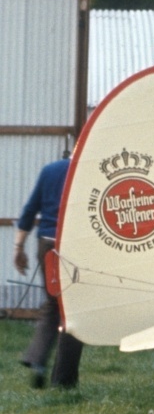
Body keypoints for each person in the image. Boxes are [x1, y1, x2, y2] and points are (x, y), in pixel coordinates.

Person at [13, 153, 82, 389]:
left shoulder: (49, 170)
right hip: (73, 244)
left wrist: (18, 247)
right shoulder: (86, 170)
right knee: (73, 310)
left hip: (47, 244)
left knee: (53, 304)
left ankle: (36, 358)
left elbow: (30, 210)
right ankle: (63, 381)